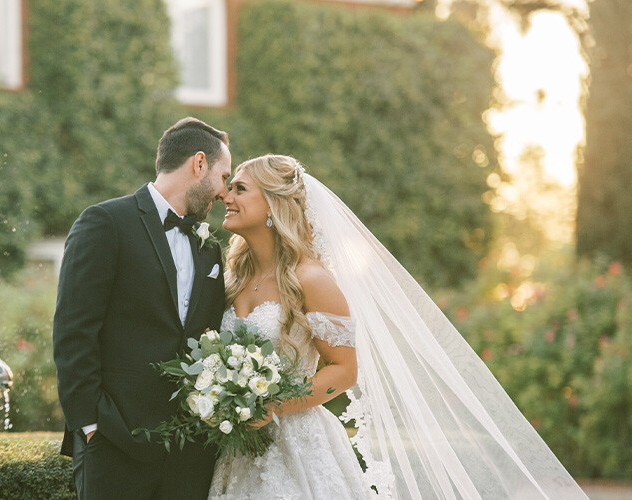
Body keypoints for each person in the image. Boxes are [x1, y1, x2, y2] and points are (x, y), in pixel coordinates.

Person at [209, 155, 588, 499]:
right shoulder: (233, 276)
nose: (226, 195)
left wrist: (274, 407)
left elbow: (343, 371)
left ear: (275, 204)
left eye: (240, 188)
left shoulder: (310, 279)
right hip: (237, 446)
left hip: (294, 446)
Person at [53, 117, 232, 499]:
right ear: (198, 164)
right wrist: (91, 425)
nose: (224, 191)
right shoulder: (105, 222)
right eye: (223, 176)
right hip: (114, 443)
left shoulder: (209, 247)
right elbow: (73, 332)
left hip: (189, 453)